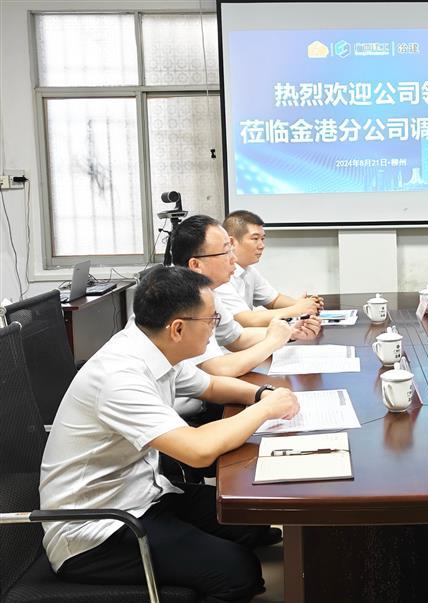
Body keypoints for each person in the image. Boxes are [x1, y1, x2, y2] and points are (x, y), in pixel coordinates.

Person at [40, 266, 299, 601]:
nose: (215, 328)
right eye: (211, 320)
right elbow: (197, 450)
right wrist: (264, 411)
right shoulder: (120, 376)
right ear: (178, 328)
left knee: (253, 518)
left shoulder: (154, 347)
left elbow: (211, 386)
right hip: (97, 529)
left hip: (144, 494)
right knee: (239, 571)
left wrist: (263, 394)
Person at [169, 215, 318, 418]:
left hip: (206, 401)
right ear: (195, 264)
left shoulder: (205, 291)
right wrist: (273, 341)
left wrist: (290, 332)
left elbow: (236, 337)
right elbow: (218, 369)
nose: (233, 258)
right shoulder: (180, 299)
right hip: (182, 416)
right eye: (225, 251)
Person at [218, 210, 323, 327]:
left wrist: (305, 304)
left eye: (262, 239)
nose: (262, 246)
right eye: (255, 239)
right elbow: (247, 320)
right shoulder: (219, 276)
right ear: (231, 242)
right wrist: (298, 309)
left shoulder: (249, 270)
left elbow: (273, 300)